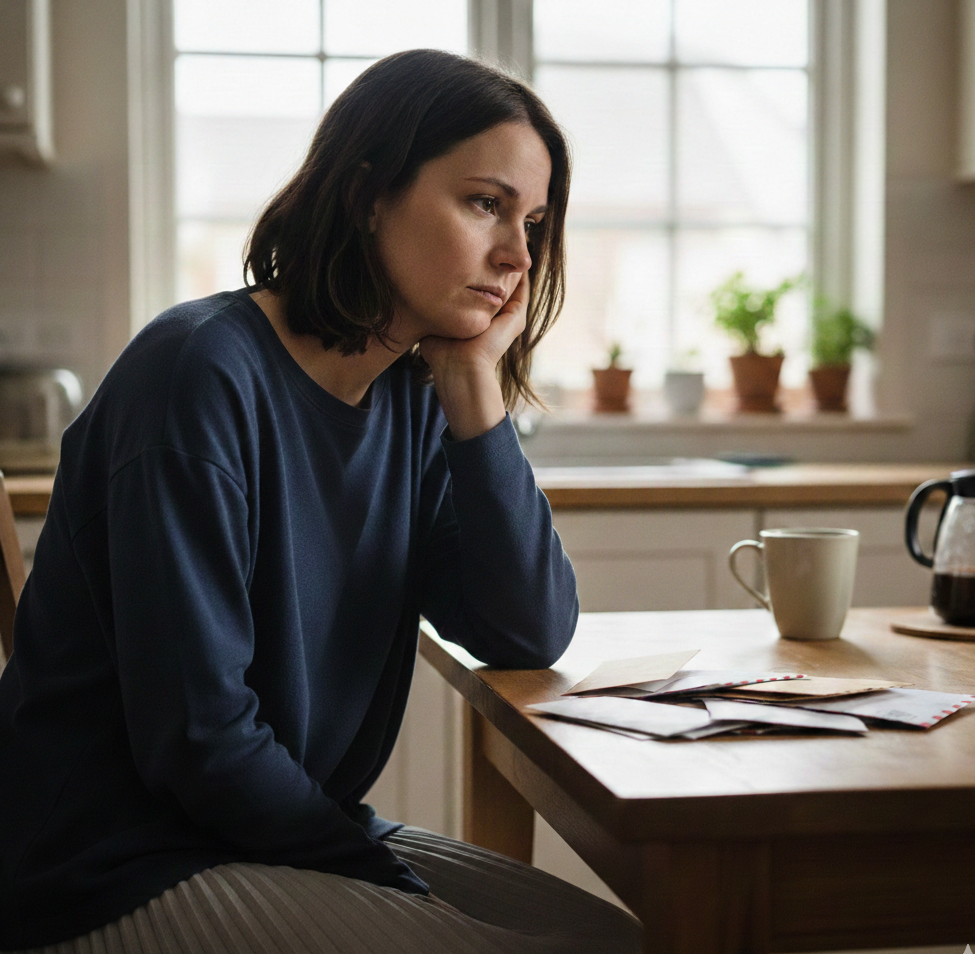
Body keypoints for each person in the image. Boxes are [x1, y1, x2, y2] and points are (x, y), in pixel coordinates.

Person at [0, 49, 642, 954]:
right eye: (485, 204)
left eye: (533, 222)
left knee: (618, 937)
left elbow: (526, 629)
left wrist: (471, 383)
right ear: (367, 195)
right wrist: (394, 887)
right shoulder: (198, 374)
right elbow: (200, 738)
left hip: (272, 834)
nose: (517, 256)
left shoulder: (411, 397)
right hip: (112, 863)